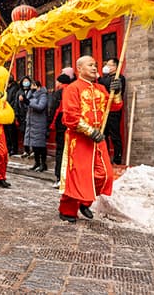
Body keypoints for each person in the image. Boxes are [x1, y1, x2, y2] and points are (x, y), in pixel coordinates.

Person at [58, 56, 122, 223]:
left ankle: (85, 201)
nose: (95, 68)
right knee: (77, 176)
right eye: (90, 65)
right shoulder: (72, 89)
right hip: (78, 138)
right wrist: (89, 131)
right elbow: (71, 117)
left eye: (95, 65)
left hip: (98, 138)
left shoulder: (101, 88)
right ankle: (67, 210)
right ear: (80, 68)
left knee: (105, 175)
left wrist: (117, 92)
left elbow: (114, 107)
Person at [49, 68, 75, 187]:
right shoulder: (73, 91)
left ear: (60, 82)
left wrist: (50, 123)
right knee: (71, 151)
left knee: (60, 150)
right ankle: (70, 177)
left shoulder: (58, 93)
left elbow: (53, 109)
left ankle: (60, 177)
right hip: (73, 125)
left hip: (61, 124)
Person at [98, 58, 126, 165]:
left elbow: (107, 85)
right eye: (106, 64)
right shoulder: (106, 77)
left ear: (116, 67)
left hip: (114, 110)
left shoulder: (119, 77)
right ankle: (105, 158)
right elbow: (102, 84)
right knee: (103, 135)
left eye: (110, 65)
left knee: (115, 135)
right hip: (104, 110)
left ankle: (117, 160)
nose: (107, 67)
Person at [20, 79, 49, 172]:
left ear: (38, 86)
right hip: (31, 123)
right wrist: (23, 101)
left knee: (40, 145)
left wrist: (28, 102)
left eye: (33, 85)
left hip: (39, 123)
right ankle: (36, 163)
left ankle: (43, 164)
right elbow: (26, 107)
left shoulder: (43, 95)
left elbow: (40, 107)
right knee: (34, 145)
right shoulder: (30, 94)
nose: (31, 87)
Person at [15, 76, 32, 157]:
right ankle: (26, 150)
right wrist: (16, 115)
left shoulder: (32, 91)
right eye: (24, 81)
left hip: (30, 115)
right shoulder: (19, 92)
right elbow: (16, 104)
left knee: (31, 134)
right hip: (22, 116)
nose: (25, 82)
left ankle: (32, 150)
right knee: (24, 133)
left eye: (27, 81)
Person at [4, 74, 20, 156]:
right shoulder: (5, 87)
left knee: (11, 131)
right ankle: (8, 147)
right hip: (4, 113)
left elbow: (14, 101)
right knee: (6, 131)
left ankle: (14, 148)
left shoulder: (15, 88)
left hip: (10, 111)